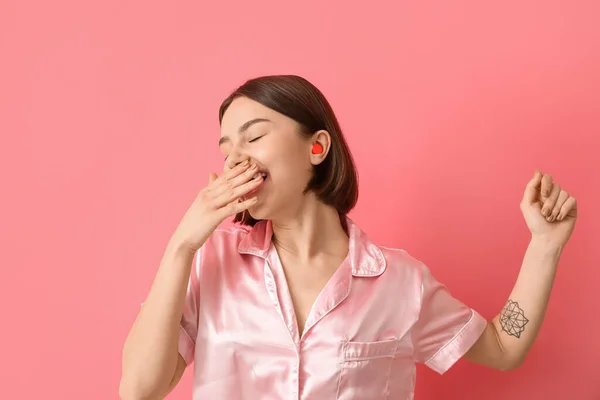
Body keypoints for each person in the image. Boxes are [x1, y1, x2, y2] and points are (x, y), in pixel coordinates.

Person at [119, 75, 578, 400]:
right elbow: (139, 390)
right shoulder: (209, 262)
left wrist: (545, 244)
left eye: (253, 138)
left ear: (317, 147)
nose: (235, 161)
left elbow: (503, 348)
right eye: (226, 149)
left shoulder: (402, 282)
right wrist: (182, 245)